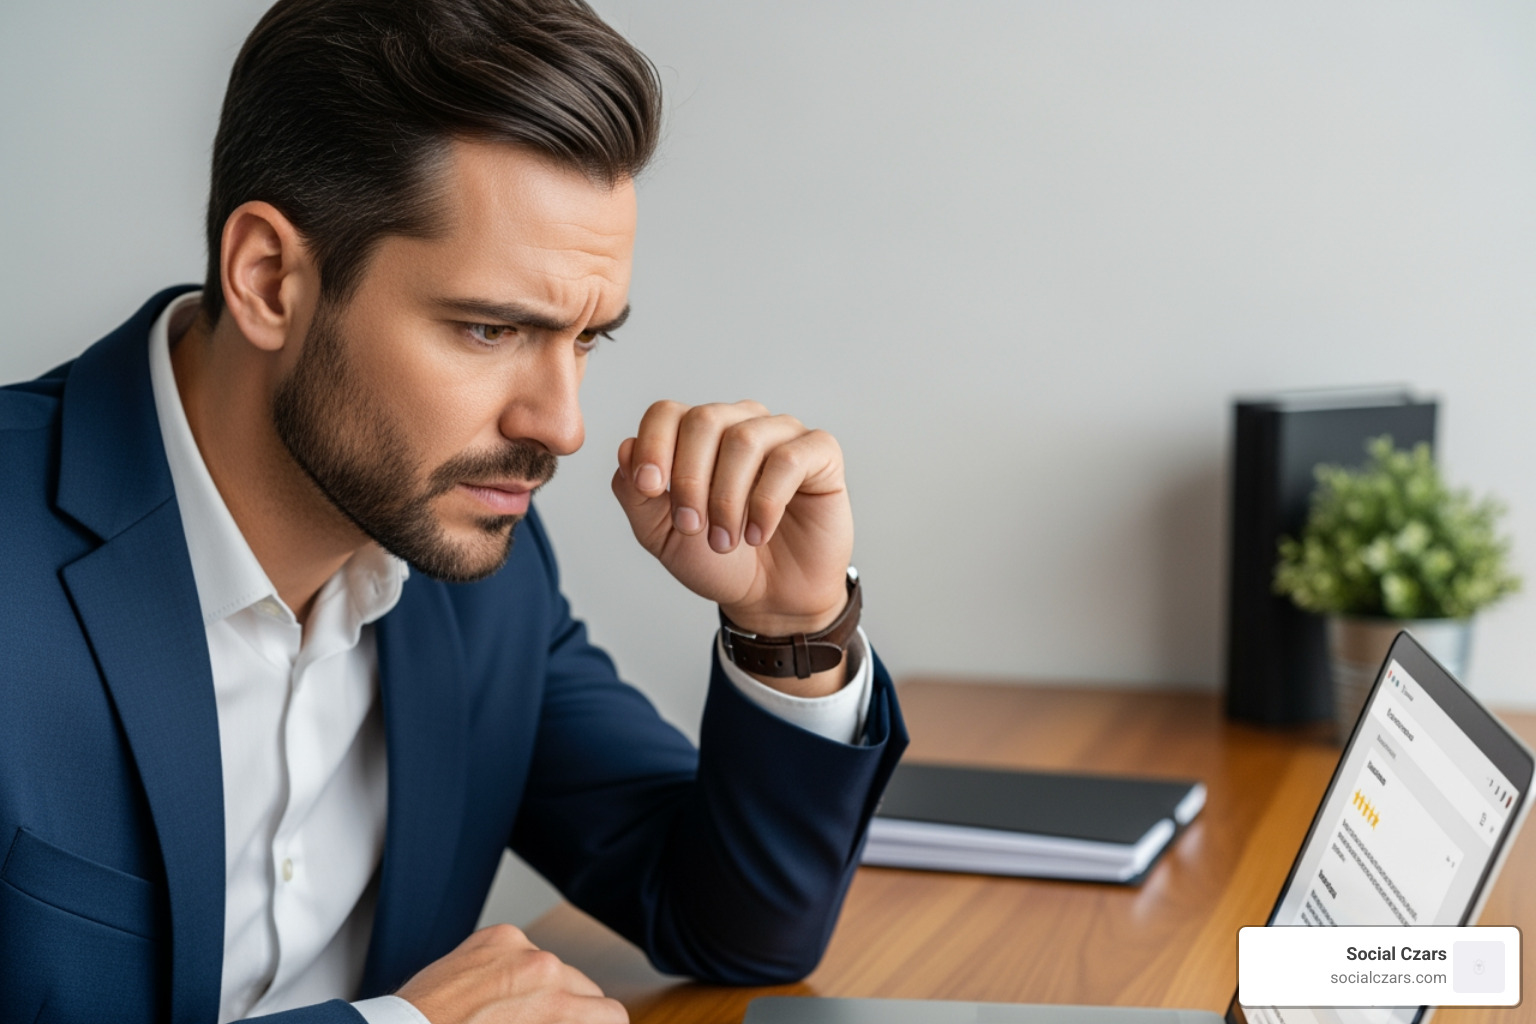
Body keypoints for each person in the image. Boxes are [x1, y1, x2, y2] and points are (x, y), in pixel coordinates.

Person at [0, 1, 907, 1022]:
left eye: (587, 339)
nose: (561, 425)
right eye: (488, 328)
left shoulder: (477, 571)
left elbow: (738, 925)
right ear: (269, 280)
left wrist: (790, 627)